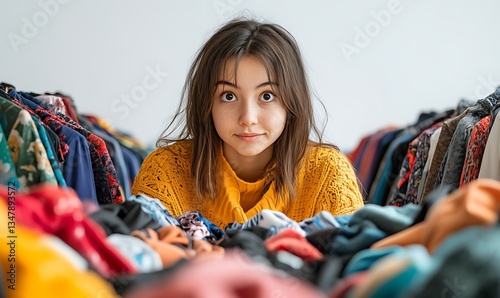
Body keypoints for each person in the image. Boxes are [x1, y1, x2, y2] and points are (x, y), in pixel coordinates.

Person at [131, 18, 364, 229]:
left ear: (292, 103)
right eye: (228, 96)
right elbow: (139, 267)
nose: (248, 118)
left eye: (267, 96)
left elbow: (354, 270)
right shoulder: (165, 171)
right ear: (206, 103)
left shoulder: (328, 172)